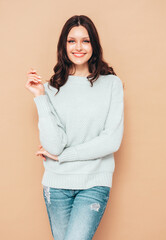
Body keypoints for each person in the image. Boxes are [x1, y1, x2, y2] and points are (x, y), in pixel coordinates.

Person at [25, 15, 124, 240]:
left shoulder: (111, 84)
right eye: (72, 41)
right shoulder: (51, 89)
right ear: (64, 45)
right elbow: (54, 146)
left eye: (85, 41)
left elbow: (111, 141)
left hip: (94, 183)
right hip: (56, 184)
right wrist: (40, 97)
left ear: (94, 45)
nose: (78, 47)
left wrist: (63, 158)